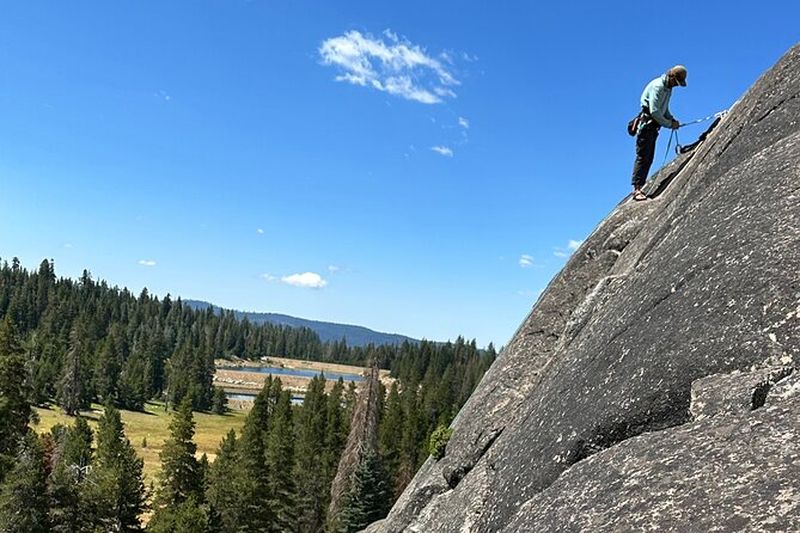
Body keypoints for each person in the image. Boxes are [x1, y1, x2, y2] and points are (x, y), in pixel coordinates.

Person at [631, 65, 687, 201]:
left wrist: (671, 118)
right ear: (671, 77)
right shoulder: (658, 87)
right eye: (676, 82)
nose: (676, 86)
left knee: (649, 158)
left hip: (654, 128)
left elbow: (664, 109)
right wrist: (669, 124)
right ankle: (637, 189)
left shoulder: (668, 89)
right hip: (646, 126)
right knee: (643, 157)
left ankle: (640, 187)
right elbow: (655, 111)